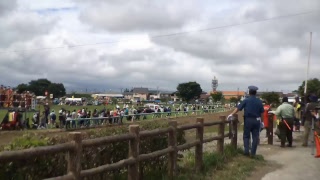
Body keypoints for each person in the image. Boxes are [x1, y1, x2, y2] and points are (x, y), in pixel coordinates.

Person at [229, 85, 264, 156]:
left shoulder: (246, 100)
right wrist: (262, 121)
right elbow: (262, 113)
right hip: (257, 120)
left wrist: (231, 114)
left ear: (249, 92)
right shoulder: (259, 102)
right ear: (255, 93)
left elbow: (238, 108)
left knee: (246, 136)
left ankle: (246, 150)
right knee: (255, 137)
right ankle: (253, 153)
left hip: (248, 120)